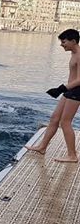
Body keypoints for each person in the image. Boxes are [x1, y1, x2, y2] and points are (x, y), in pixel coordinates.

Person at [26, 28, 80, 163]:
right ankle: (42, 147)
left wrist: (60, 89)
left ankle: (72, 155)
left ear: (73, 41)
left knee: (65, 122)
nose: (61, 45)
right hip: (70, 90)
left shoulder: (79, 55)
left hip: (76, 91)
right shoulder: (73, 53)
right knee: (54, 118)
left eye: (64, 42)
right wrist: (63, 89)